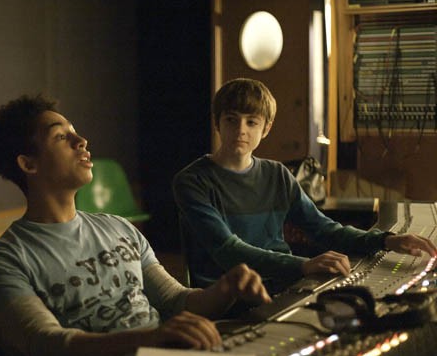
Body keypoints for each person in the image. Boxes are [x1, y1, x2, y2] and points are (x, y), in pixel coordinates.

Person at [0, 94, 272, 356]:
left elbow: (176, 301)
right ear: (28, 164)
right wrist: (151, 339)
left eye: (75, 132)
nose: (81, 141)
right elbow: (49, 347)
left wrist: (225, 289)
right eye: (61, 137)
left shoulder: (118, 227)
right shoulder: (5, 258)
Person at [173, 78, 437, 294]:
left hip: (282, 287)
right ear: (217, 122)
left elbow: (323, 229)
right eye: (231, 119)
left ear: (266, 128)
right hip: (226, 298)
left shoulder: (277, 174)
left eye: (251, 121)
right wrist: (304, 265)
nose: (241, 129)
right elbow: (228, 251)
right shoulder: (192, 181)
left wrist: (385, 240)